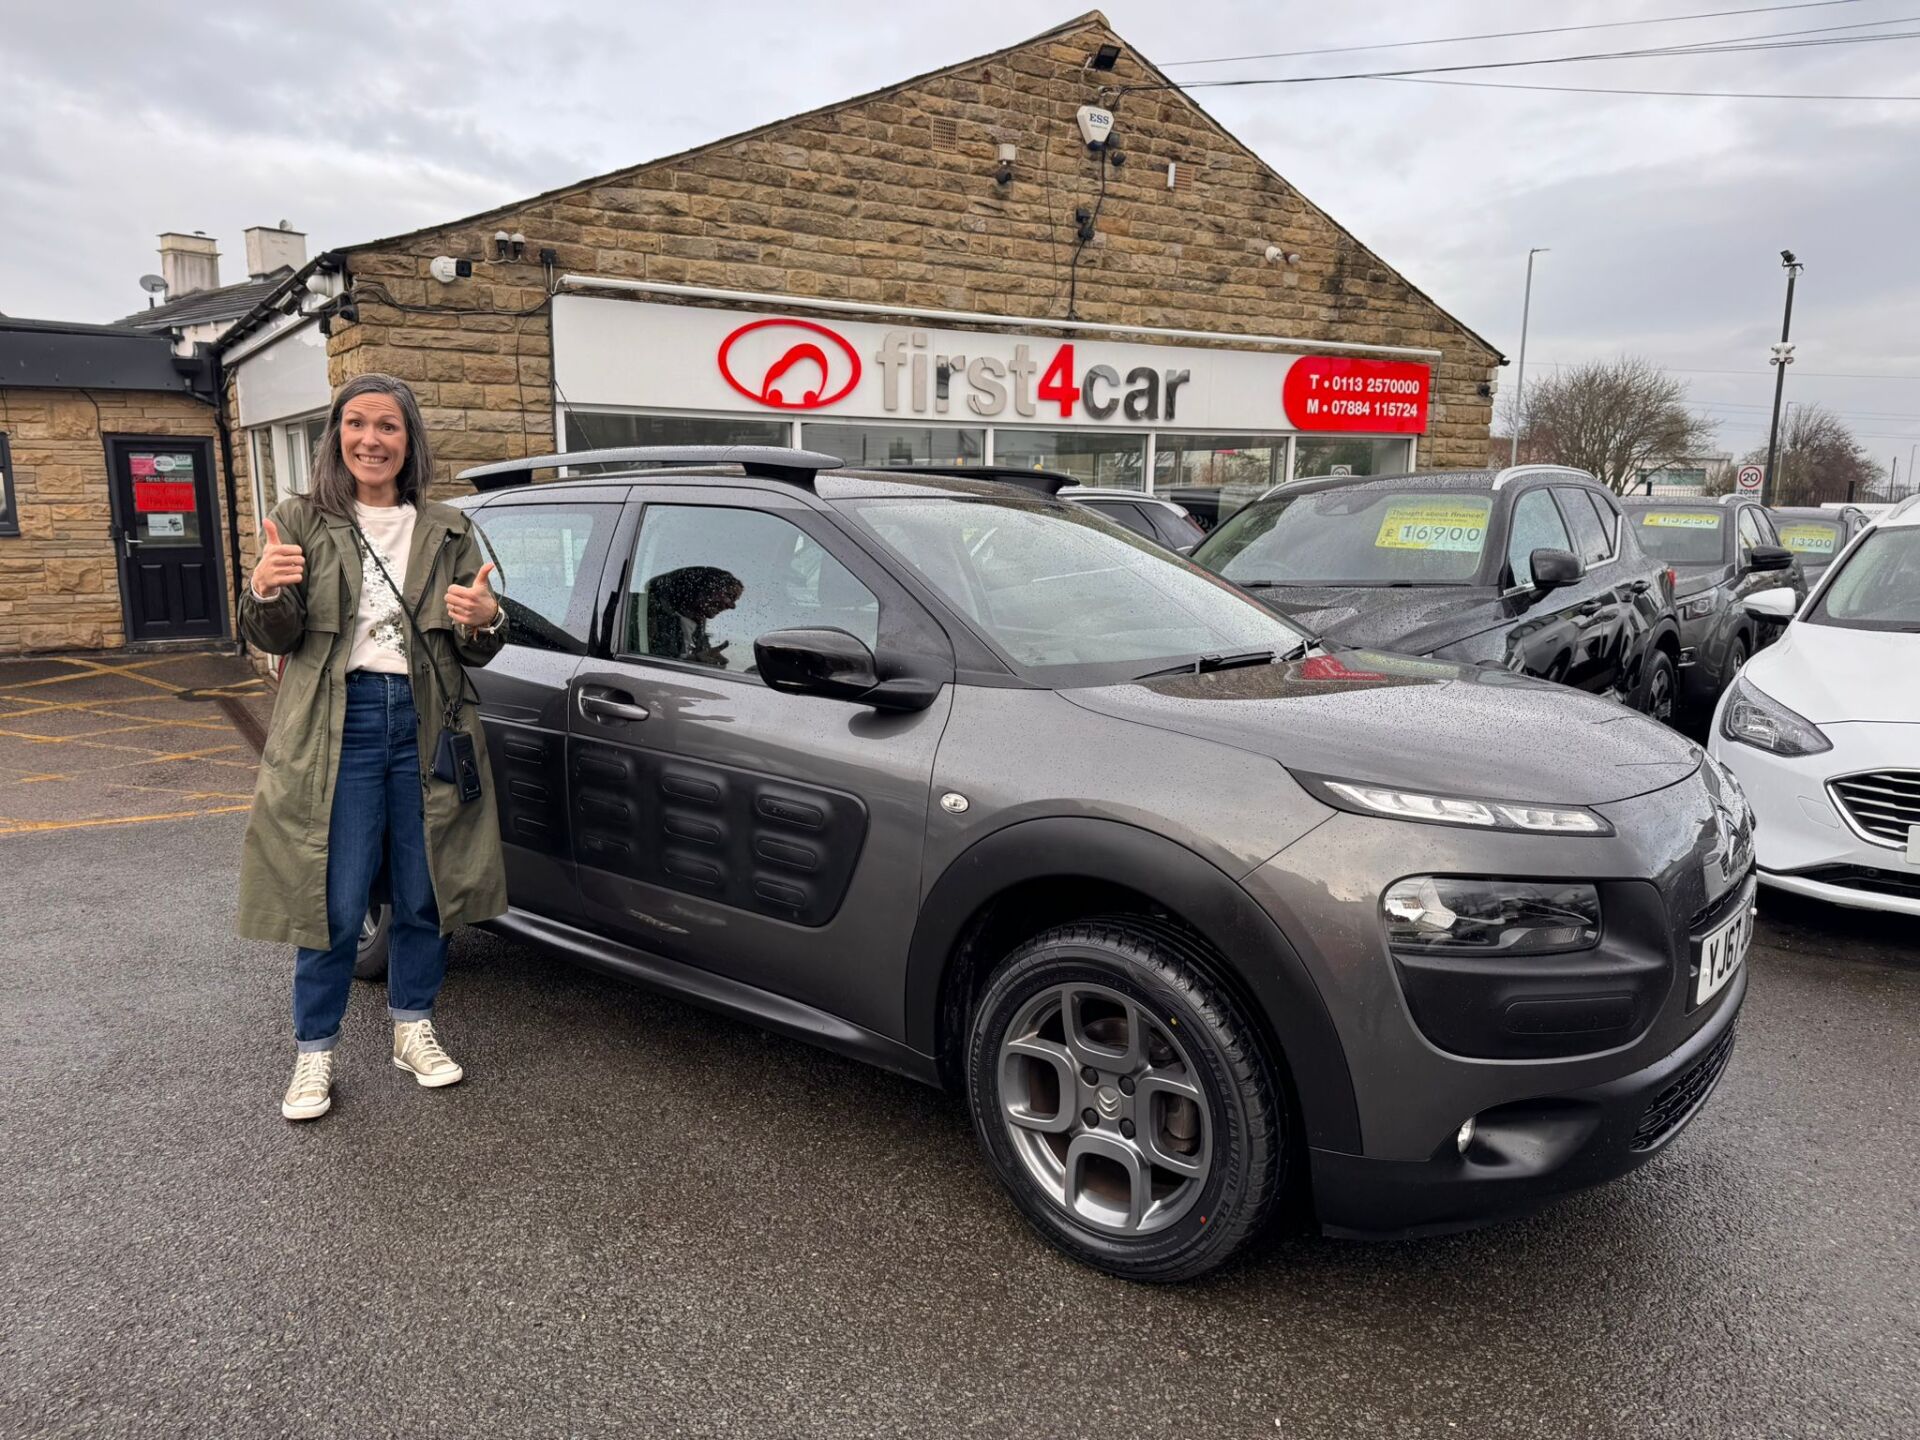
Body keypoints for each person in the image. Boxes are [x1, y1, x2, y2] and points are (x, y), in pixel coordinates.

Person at [237, 373, 509, 1122]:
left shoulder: (448, 527)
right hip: (338, 722)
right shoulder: (301, 518)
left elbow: (480, 643)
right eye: (356, 424)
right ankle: (314, 1053)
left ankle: (413, 1028)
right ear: (336, 435)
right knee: (335, 892)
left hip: (429, 722)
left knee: (427, 889)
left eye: (387, 426)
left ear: (409, 439)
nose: (370, 440)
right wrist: (264, 591)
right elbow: (274, 633)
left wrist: (485, 617)